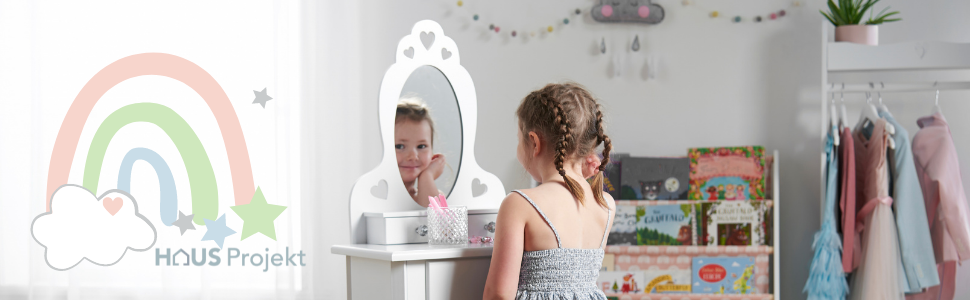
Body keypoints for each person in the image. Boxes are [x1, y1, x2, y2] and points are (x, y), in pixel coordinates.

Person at [483, 83, 615, 300]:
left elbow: (499, 294)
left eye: (519, 140)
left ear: (534, 142)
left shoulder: (520, 204)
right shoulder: (606, 204)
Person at [395, 98, 445, 207]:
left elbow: (436, 222)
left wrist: (427, 176)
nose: (413, 156)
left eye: (421, 146)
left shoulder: (433, 196)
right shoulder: (378, 198)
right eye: (400, 146)